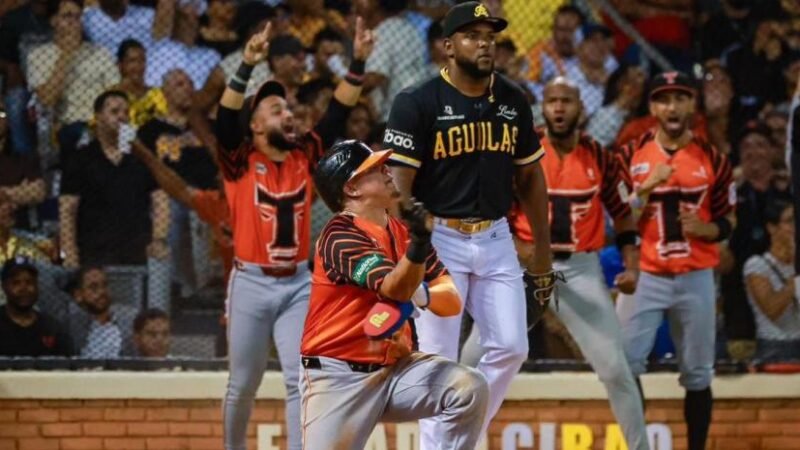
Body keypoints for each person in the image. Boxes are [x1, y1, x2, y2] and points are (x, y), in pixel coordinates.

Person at [383, 3, 553, 446]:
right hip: (440, 239)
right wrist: (413, 240)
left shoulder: (513, 101)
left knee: (513, 347)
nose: (485, 43)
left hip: (496, 236)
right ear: (448, 46)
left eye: (490, 36)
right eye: (473, 35)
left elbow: (531, 178)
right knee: (439, 359)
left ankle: (461, 433)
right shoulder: (416, 102)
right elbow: (398, 183)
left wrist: (543, 254)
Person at [462, 78, 650, 449]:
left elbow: (623, 215)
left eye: (567, 101)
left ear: (581, 108)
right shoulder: (521, 150)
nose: (560, 108)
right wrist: (518, 248)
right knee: (470, 359)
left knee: (616, 369)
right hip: (519, 265)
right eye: (553, 101)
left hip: (579, 268)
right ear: (542, 108)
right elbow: (491, 212)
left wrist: (632, 265)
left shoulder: (601, 157)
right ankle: (455, 442)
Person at [215, 19, 373, 450]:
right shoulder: (238, 160)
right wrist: (246, 65)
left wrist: (358, 59)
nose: (286, 113)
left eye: (286, 108)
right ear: (254, 126)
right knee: (242, 383)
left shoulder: (305, 154)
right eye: (273, 110)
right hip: (249, 282)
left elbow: (338, 111)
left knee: (298, 378)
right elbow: (225, 119)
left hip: (298, 284)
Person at [300, 139, 488, 450]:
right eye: (374, 169)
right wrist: (417, 248)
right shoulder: (338, 234)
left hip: (396, 371)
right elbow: (392, 287)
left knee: (469, 387)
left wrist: (422, 293)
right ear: (352, 188)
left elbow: (452, 300)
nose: (387, 171)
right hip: (339, 378)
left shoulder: (402, 231)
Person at [620, 71, 736, 450]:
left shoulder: (714, 159)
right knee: (624, 365)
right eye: (664, 99)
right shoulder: (630, 153)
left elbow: (729, 219)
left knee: (699, 373)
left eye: (680, 98)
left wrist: (707, 231)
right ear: (653, 107)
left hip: (695, 274)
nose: (672, 106)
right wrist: (648, 187)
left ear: (692, 105)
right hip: (646, 273)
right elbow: (618, 216)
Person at [743, 201, 799, 361]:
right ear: (772, 227)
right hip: (776, 347)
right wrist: (794, 278)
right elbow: (772, 310)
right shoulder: (757, 265)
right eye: (790, 221)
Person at [0, 257, 73, 356]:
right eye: (16, 283)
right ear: (4, 287)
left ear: (37, 285)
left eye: (29, 282)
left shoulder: (52, 328)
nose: (24, 288)